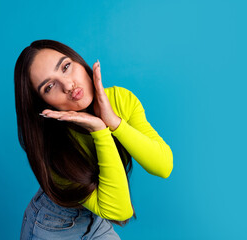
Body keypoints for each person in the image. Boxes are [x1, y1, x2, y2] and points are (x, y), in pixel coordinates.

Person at [14, 39, 173, 240]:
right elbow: (119, 211)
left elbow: (163, 165)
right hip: (51, 226)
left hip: (96, 220)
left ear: (79, 62)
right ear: (43, 104)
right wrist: (99, 130)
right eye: (49, 86)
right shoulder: (50, 146)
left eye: (66, 67)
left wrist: (114, 123)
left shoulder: (120, 100)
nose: (68, 85)